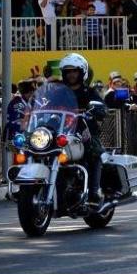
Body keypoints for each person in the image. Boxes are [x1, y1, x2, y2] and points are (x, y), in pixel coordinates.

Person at [57, 54, 105, 203]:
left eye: (74, 71)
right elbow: (45, 105)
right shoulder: (58, 92)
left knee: (94, 152)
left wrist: (96, 110)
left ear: (82, 72)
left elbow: (101, 108)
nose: (71, 74)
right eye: (68, 71)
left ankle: (94, 190)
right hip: (61, 132)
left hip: (84, 132)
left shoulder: (89, 92)